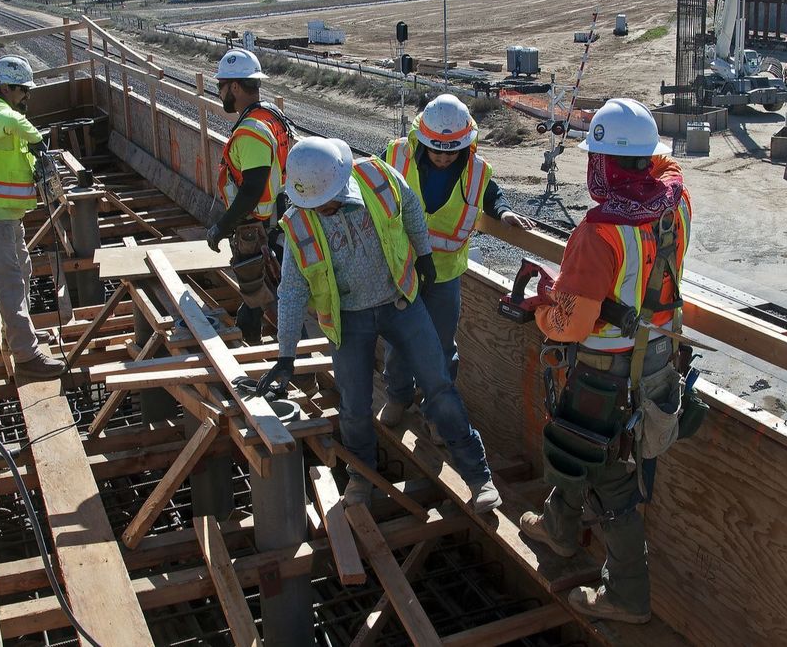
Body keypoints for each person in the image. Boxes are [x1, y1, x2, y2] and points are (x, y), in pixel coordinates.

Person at [516, 98, 692, 625]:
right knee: (580, 447)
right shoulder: (676, 201)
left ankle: (628, 597)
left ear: (602, 166)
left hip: (606, 374)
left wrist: (545, 308)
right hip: (659, 359)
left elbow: (569, 325)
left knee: (611, 479)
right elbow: (668, 166)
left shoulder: (599, 232)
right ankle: (560, 528)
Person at [259, 137, 501, 513]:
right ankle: (361, 475)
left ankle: (478, 475)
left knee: (438, 384)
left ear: (341, 182)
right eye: (311, 203)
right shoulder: (299, 222)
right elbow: (290, 291)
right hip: (348, 319)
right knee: (354, 407)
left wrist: (423, 254)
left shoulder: (377, 178)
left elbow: (411, 210)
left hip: (399, 300)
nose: (319, 209)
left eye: (324, 201)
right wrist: (286, 355)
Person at [377, 94, 533, 428]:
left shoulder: (475, 171)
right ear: (423, 141)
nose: (443, 158)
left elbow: (492, 195)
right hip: (403, 269)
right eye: (436, 151)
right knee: (398, 340)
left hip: (445, 276)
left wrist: (504, 213)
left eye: (451, 153)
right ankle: (398, 397)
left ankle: (437, 415)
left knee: (442, 347)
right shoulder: (397, 155)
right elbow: (370, 185)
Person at [0, 56, 64, 382]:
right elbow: (9, 122)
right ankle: (27, 356)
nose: (26, 98)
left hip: (3, 214)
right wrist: (35, 139)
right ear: (4, 87)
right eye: (22, 91)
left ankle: (20, 335)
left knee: (22, 270)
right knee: (9, 283)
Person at [206, 48, 293, 342]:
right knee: (258, 302)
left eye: (220, 86)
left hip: (260, 231)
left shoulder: (251, 130)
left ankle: (304, 368)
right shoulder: (271, 115)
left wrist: (222, 226)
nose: (219, 94)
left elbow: (252, 189)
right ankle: (251, 351)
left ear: (234, 86)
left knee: (273, 303)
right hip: (275, 223)